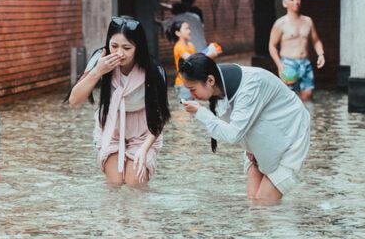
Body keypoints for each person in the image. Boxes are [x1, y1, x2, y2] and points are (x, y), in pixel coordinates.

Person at [179, 53, 310, 203]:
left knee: (263, 202)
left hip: (290, 133)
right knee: (253, 202)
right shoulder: (219, 84)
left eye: (193, 89)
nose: (191, 95)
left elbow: (233, 134)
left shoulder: (250, 86)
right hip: (260, 136)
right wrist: (249, 146)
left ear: (210, 80)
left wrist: (200, 113)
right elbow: (239, 124)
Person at [69, 15, 171, 187]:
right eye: (114, 46)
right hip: (112, 128)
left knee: (134, 184)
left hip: (144, 131)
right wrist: (98, 71)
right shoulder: (100, 59)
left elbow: (160, 117)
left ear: (138, 48)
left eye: (127, 48)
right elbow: (74, 100)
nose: (119, 53)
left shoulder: (153, 70)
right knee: (114, 184)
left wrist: (144, 149)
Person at [268, 0, 326, 102]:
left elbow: (316, 41)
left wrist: (321, 54)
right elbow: (272, 46)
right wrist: (279, 64)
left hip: (305, 63)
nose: (296, 2)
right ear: (285, 3)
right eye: (292, 0)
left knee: (308, 95)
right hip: (288, 64)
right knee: (289, 97)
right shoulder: (280, 23)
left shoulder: (308, 21)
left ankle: (307, 113)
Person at [167, 18, 196, 101]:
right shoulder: (179, 46)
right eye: (186, 29)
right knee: (187, 108)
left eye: (189, 28)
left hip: (191, 82)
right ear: (178, 33)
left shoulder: (190, 45)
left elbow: (196, 61)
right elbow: (192, 60)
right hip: (183, 84)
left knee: (192, 107)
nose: (189, 31)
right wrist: (209, 54)